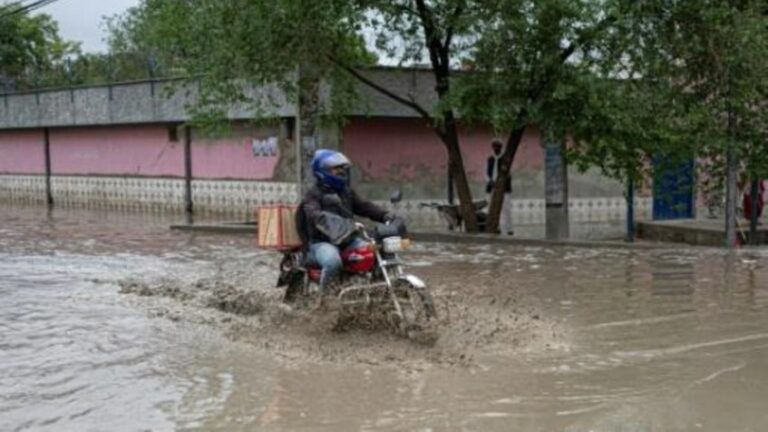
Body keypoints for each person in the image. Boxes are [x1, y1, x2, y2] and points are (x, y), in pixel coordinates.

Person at [297, 149, 393, 291]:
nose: (341, 171)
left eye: (342, 167)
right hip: (321, 243)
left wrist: (385, 216)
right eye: (336, 168)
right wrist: (341, 224)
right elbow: (315, 215)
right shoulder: (313, 195)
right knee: (333, 262)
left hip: (348, 240)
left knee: (376, 252)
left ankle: (377, 293)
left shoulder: (346, 191)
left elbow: (363, 207)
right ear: (322, 170)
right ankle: (326, 301)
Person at [486, 139, 513, 235]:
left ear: (501, 147)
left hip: (504, 188)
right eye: (494, 146)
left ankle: (509, 229)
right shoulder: (490, 159)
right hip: (491, 187)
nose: (496, 148)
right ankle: (496, 227)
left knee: (506, 209)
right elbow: (486, 173)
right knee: (491, 208)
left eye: (498, 146)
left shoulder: (505, 159)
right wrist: (490, 181)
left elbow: (509, 174)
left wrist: (500, 183)